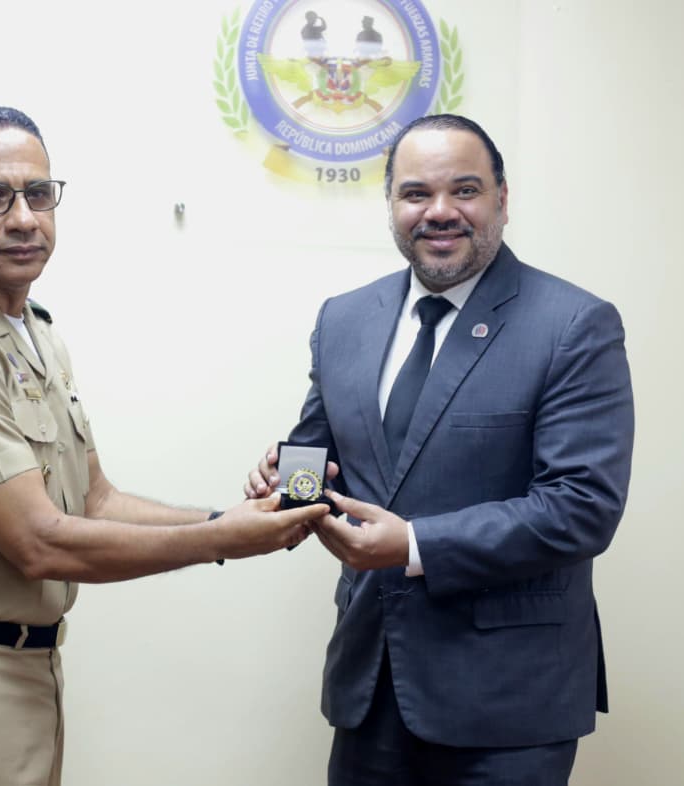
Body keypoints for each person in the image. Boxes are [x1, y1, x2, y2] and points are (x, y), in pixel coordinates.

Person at [0, 106, 326, 786]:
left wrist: (228, 520)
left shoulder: (33, 333)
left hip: (20, 672)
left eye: (39, 194)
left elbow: (95, 499)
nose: (24, 218)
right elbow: (38, 542)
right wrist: (223, 541)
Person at [246, 114, 635, 785]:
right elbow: (320, 451)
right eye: (416, 193)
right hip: (370, 687)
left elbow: (581, 507)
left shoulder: (573, 325)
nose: (440, 211)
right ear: (391, 205)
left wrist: (412, 543)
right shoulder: (344, 318)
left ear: (502, 199)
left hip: (508, 706)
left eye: (465, 190)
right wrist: (284, 484)